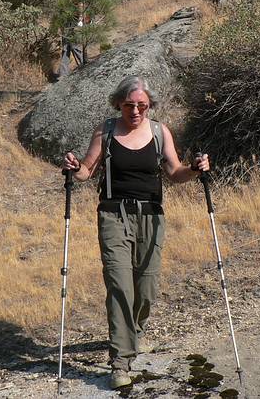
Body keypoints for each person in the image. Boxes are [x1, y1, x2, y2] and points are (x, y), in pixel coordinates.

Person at [62, 76, 210, 389]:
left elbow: (175, 172)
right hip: (114, 215)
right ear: (119, 104)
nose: (136, 111)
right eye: (129, 105)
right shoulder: (106, 131)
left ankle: (133, 333)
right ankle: (120, 362)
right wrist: (77, 168)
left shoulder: (159, 132)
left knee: (146, 289)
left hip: (151, 216)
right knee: (119, 286)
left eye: (142, 105)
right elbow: (88, 170)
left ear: (149, 106)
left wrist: (196, 169)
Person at [58, 0, 87, 77]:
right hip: (66, 24)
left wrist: (79, 20)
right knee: (65, 48)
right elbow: (61, 12)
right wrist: (61, 26)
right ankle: (63, 74)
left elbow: (81, 7)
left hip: (75, 23)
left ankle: (84, 68)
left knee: (75, 46)